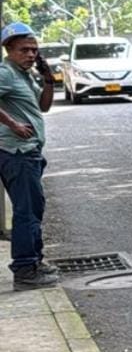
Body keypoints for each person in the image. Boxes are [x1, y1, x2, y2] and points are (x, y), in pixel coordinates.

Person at [0, 22, 58, 290]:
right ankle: (24, 269)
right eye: (24, 50)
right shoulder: (5, 73)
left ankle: (34, 261)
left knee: (34, 208)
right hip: (17, 153)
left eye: (34, 50)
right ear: (8, 49)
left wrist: (48, 80)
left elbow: (43, 106)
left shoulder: (23, 75)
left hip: (30, 152)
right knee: (26, 212)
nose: (31, 55)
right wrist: (13, 124)